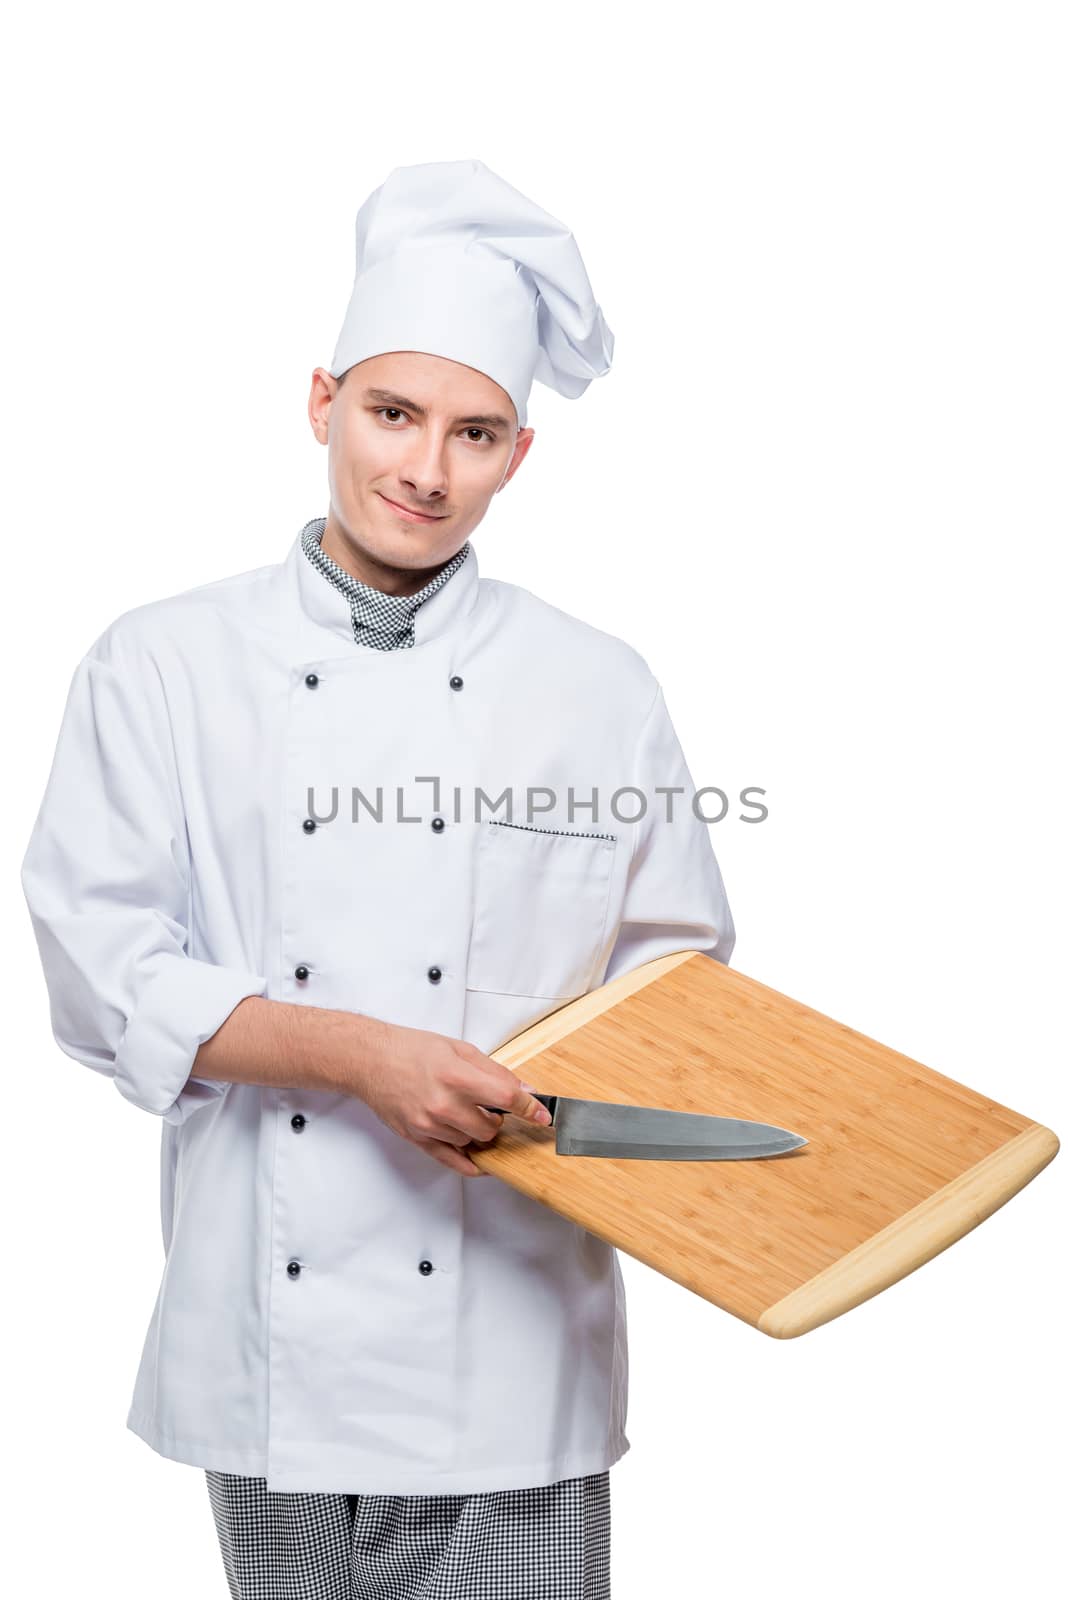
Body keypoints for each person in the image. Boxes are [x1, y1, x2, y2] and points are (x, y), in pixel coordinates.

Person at [20, 158, 736, 1599]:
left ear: (519, 454)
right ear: (319, 403)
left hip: (512, 1349)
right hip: (268, 1349)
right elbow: (105, 975)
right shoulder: (161, 664)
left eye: (475, 433)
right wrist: (360, 1056)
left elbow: (679, 985)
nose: (425, 469)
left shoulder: (595, 689)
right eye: (392, 414)